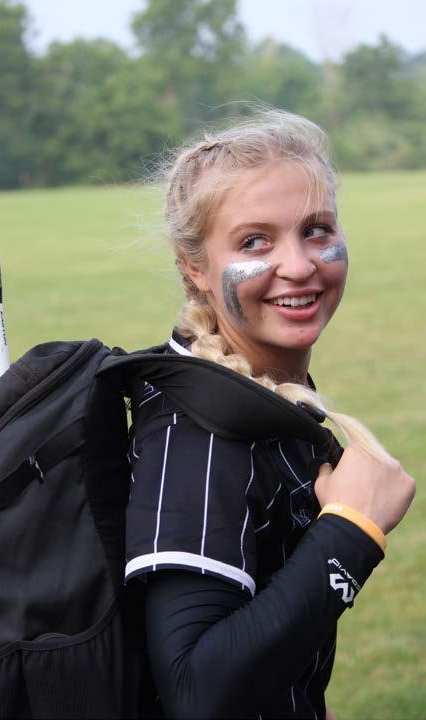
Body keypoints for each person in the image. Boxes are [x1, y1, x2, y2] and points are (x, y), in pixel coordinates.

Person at [124, 110, 415, 719]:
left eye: (317, 230)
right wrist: (351, 532)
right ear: (194, 267)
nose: (300, 265)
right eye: (254, 241)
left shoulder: (263, 396)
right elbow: (197, 695)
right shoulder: (198, 432)